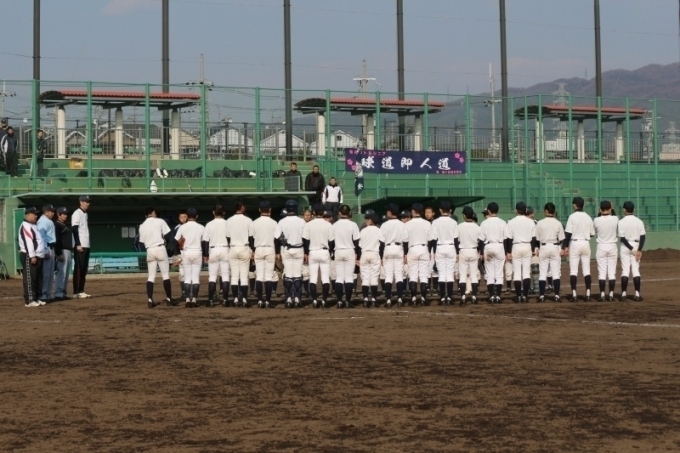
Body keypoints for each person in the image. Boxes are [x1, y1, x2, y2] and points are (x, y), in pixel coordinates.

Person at [139, 207, 174, 308]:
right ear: (153, 212)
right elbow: (167, 235)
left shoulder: (142, 225)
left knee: (151, 276)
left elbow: (141, 242)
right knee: (165, 275)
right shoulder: (160, 221)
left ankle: (150, 300)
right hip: (160, 248)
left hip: (150, 250)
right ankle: (169, 299)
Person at [562, 196, 595, 302]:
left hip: (575, 243)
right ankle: (588, 294)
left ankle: (574, 295)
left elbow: (568, 233)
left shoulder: (572, 217)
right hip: (585, 243)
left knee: (573, 271)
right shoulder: (588, 217)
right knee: (586, 270)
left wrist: (564, 246)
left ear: (574, 205)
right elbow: (592, 234)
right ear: (583, 205)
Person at [302, 204, 335, 308]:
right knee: (325, 278)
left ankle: (315, 300)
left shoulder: (309, 225)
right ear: (323, 212)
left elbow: (305, 240)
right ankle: (324, 300)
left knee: (313, 278)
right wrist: (330, 252)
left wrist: (306, 253)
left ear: (314, 213)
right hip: (324, 251)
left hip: (313, 251)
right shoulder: (328, 225)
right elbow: (331, 241)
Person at [275, 200, 306, 308]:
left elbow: (276, 238)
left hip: (286, 249)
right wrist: (307, 252)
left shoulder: (282, 222)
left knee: (288, 275)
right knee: (297, 275)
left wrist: (277, 252)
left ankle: (288, 299)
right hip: (299, 249)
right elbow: (306, 238)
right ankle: (297, 299)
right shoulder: (302, 221)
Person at [505, 202, 537, 303]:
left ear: (516, 210)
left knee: (517, 274)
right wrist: (533, 250)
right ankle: (525, 296)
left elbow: (509, 238)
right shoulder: (531, 222)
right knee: (526, 273)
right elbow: (534, 238)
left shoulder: (511, 222)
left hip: (516, 246)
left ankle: (519, 296)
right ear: (525, 210)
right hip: (527, 246)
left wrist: (508, 251)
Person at [226, 200, 255, 307]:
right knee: (243, 276)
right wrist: (253, 250)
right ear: (242, 207)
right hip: (244, 248)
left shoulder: (229, 220)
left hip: (233, 248)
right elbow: (251, 237)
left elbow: (227, 237)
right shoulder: (248, 220)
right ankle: (244, 299)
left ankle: (235, 299)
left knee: (234, 276)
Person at [405, 203, 435, 306]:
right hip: (424, 248)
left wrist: (405, 253)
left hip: (412, 248)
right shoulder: (427, 223)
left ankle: (413, 298)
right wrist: (429, 251)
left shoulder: (407, 224)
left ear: (413, 211)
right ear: (422, 212)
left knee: (413, 275)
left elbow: (405, 240)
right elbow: (430, 240)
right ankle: (423, 298)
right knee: (423, 275)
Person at [535, 202, 565, 303]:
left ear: (546, 211)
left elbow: (537, 238)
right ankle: (556, 295)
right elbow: (561, 239)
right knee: (556, 273)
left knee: (542, 273)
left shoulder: (540, 223)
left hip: (543, 247)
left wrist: (537, 248)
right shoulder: (558, 223)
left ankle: (542, 296)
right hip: (555, 246)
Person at [174, 207, 205, 307]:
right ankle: (194, 299)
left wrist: (180, 248)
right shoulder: (201, 227)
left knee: (187, 278)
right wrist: (206, 254)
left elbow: (177, 240)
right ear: (197, 216)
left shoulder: (182, 227)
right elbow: (204, 242)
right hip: (197, 252)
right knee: (195, 279)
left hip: (186, 252)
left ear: (187, 216)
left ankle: (187, 300)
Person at [201, 204, 230, 308]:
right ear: (224, 213)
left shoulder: (209, 224)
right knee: (225, 276)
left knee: (212, 277)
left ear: (213, 212)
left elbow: (205, 241)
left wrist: (205, 254)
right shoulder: (227, 223)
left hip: (213, 250)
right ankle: (225, 300)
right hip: (225, 249)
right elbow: (230, 238)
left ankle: (210, 300)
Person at [332, 204, 360, 308]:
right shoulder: (353, 224)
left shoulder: (334, 225)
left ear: (339, 213)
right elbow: (357, 241)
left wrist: (332, 253)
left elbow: (331, 241)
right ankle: (347, 301)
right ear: (349, 213)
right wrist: (357, 254)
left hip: (338, 250)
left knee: (339, 278)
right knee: (349, 277)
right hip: (349, 250)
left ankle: (339, 301)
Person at [380, 204, 408, 307]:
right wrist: (405, 254)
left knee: (388, 276)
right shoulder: (402, 224)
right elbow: (405, 241)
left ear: (390, 213)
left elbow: (381, 243)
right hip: (399, 248)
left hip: (388, 248)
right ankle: (400, 299)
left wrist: (381, 256)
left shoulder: (384, 225)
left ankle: (388, 300)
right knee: (399, 276)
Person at [478, 202, 506, 304]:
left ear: (489, 211)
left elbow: (481, 240)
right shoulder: (503, 222)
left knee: (489, 274)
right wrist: (507, 251)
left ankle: (491, 296)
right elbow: (506, 239)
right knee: (499, 273)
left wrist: (481, 253)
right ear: (498, 210)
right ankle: (497, 296)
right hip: (499, 246)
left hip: (488, 247)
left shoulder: (484, 223)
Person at [431, 201, 458, 305]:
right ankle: (449, 297)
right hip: (451, 247)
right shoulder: (454, 222)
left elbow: (434, 239)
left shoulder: (435, 222)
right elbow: (456, 239)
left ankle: (442, 297)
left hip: (440, 247)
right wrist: (457, 253)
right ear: (450, 210)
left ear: (440, 210)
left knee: (441, 274)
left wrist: (434, 252)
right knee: (450, 274)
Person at [618, 201, 646, 301]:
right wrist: (639, 250)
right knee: (635, 270)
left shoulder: (621, 222)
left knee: (625, 270)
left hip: (626, 246)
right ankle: (637, 294)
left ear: (624, 210)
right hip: (636, 244)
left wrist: (631, 249)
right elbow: (643, 237)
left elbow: (622, 238)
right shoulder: (639, 221)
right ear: (634, 209)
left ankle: (623, 294)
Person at [19, 207, 46, 307]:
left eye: (36, 214)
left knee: (38, 278)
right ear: (28, 215)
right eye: (34, 214)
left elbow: (39, 240)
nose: (36, 216)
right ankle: (29, 300)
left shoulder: (33, 226)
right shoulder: (25, 225)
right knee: (30, 278)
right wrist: (32, 256)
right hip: (30, 255)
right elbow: (28, 242)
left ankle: (36, 298)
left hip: (38, 255)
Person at [252, 201, 278, 308]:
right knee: (268, 276)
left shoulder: (254, 222)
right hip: (270, 248)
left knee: (259, 276)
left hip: (258, 248)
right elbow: (277, 239)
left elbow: (252, 238)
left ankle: (259, 300)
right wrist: (277, 252)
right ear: (270, 210)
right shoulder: (274, 222)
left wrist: (253, 250)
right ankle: (267, 301)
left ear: (259, 210)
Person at [593, 200, 619, 302]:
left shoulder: (596, 220)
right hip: (612, 246)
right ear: (610, 209)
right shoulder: (615, 218)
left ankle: (602, 294)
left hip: (601, 246)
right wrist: (612, 209)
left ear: (600, 209)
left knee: (602, 272)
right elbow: (614, 217)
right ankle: (611, 295)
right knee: (612, 272)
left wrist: (600, 212)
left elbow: (594, 231)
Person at [359, 210, 384, 307]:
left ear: (370, 220)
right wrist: (381, 256)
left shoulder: (363, 230)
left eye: (367, 218)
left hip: (364, 254)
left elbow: (359, 245)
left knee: (365, 277)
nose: (366, 220)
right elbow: (381, 244)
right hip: (375, 254)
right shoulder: (378, 230)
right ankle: (374, 299)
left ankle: (365, 299)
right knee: (374, 277)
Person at [457, 206, 482, 305]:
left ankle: (463, 296)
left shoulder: (459, 226)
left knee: (463, 275)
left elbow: (456, 240)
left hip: (463, 250)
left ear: (464, 215)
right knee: (474, 275)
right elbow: (480, 241)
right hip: (473, 250)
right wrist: (480, 253)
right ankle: (474, 296)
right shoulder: (477, 227)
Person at [72, 195, 92, 298]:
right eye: (85, 202)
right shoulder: (77, 213)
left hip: (86, 244)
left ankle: (81, 290)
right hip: (81, 245)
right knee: (79, 268)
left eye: (88, 202)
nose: (87, 204)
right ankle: (77, 291)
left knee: (84, 268)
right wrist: (78, 243)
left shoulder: (85, 214)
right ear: (80, 202)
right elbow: (75, 229)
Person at [37, 204, 57, 302]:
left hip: (51, 247)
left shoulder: (49, 221)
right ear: (45, 212)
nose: (53, 213)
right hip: (47, 247)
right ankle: (43, 294)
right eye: (51, 211)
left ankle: (48, 293)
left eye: (53, 211)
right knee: (46, 273)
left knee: (50, 273)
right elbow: (41, 237)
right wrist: (45, 250)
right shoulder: (42, 221)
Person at [53, 207, 73, 302]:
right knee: (62, 272)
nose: (65, 215)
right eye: (63, 214)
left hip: (68, 251)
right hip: (62, 250)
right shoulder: (57, 225)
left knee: (66, 273)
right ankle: (58, 293)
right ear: (58, 214)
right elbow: (57, 241)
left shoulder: (64, 225)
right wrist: (59, 253)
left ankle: (63, 293)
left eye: (66, 214)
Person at [170, 210, 188, 297]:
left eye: (185, 217)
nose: (183, 219)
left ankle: (191, 292)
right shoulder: (177, 228)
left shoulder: (191, 226)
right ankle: (184, 292)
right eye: (181, 217)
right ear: (179, 218)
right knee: (182, 273)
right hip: (181, 252)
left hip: (191, 252)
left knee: (192, 273)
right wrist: (176, 255)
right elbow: (174, 242)